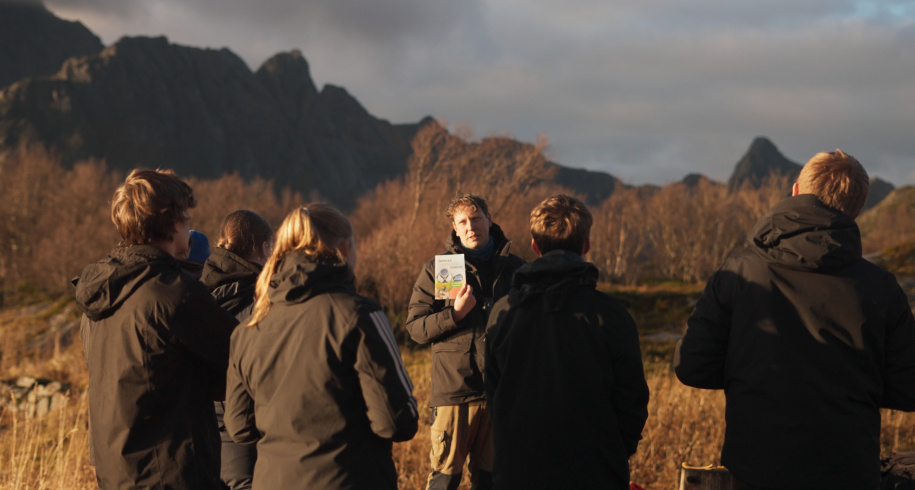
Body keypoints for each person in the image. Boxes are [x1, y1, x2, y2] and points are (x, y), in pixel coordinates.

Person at [675, 150, 915, 490]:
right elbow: (908, 389)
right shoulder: (882, 288)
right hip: (849, 471)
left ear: (795, 191)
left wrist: (753, 374)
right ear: (857, 210)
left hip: (757, 469)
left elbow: (691, 367)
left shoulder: (738, 271)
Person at [224, 204, 418, 489]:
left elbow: (240, 426)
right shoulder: (359, 316)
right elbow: (397, 421)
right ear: (344, 248)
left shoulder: (248, 329)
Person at [73, 168, 239, 489]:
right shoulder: (174, 292)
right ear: (172, 224)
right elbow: (245, 361)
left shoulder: (98, 296)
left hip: (115, 474)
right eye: (187, 219)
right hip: (173, 474)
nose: (189, 229)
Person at [484, 194, 650, 490]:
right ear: (586, 245)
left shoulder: (503, 313)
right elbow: (632, 399)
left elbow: (495, 396)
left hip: (517, 471)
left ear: (535, 247)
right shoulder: (611, 315)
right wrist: (613, 453)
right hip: (595, 471)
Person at [406, 193, 525, 490]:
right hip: (454, 395)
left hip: (500, 394)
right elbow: (415, 329)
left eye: (475, 218)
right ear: (455, 230)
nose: (470, 226)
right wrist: (454, 315)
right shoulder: (438, 269)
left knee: (492, 482)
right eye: (463, 222)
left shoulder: (518, 270)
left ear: (489, 220)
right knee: (445, 481)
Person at [201, 210, 274, 490]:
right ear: (264, 249)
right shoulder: (265, 302)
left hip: (203, 420)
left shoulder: (194, 292)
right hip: (249, 424)